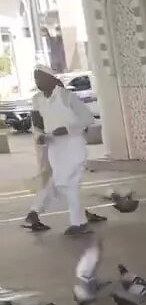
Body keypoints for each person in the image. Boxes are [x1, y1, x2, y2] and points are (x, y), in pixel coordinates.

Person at [24, 65, 104, 235]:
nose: (37, 82)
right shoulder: (37, 100)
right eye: (35, 78)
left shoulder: (66, 96)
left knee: (70, 184)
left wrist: (67, 129)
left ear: (50, 78)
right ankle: (77, 219)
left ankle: (78, 223)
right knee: (63, 185)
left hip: (73, 146)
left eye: (40, 77)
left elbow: (88, 118)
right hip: (55, 149)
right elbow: (37, 124)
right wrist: (39, 135)